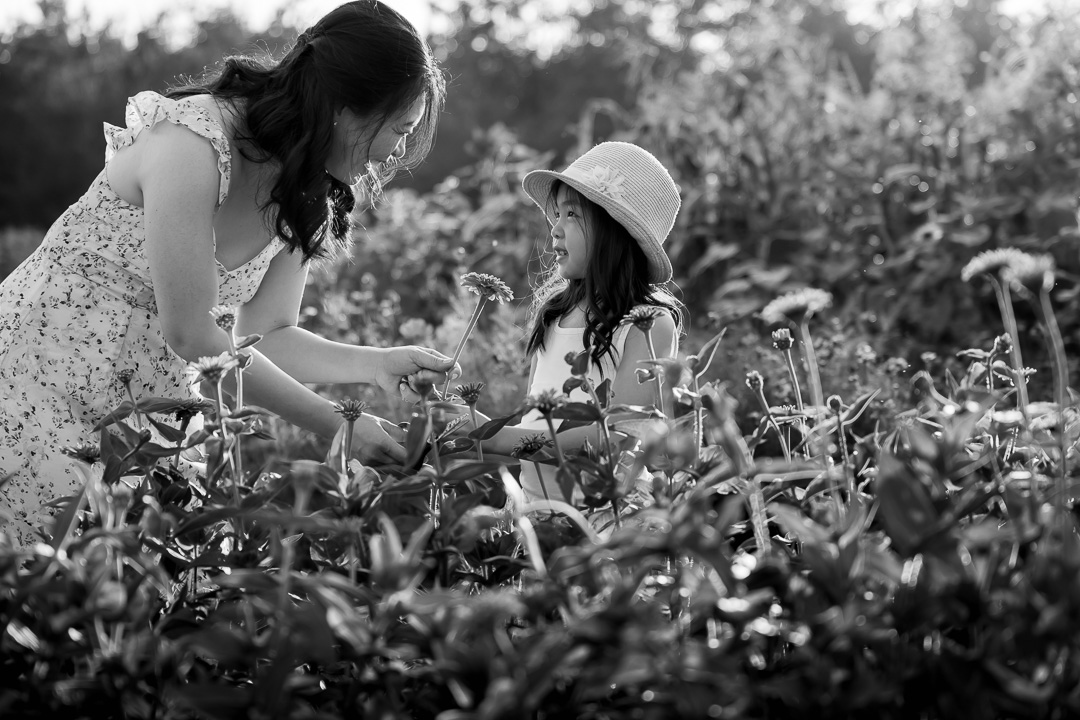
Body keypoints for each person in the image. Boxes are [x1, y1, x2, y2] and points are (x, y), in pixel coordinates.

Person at [0, 0, 456, 546]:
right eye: (400, 129)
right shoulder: (192, 141)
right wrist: (339, 427)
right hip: (35, 380)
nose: (398, 152)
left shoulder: (306, 187)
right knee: (45, 585)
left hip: (146, 415)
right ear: (348, 108)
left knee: (132, 592)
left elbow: (266, 336)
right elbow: (193, 331)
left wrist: (374, 365)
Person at [473, 142, 685, 501]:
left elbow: (614, 435)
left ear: (617, 231)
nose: (555, 229)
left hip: (608, 516)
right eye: (556, 215)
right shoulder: (554, 313)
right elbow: (535, 420)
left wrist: (493, 437)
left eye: (571, 215)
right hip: (537, 510)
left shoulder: (646, 325)